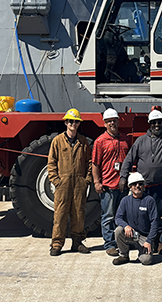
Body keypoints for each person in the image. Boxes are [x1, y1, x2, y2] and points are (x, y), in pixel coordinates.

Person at [119, 108, 162, 253]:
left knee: (160, 214)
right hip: (143, 187)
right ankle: (142, 241)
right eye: (154, 123)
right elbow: (129, 159)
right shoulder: (141, 141)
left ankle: (159, 242)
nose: (157, 125)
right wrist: (123, 176)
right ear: (149, 124)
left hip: (160, 186)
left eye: (159, 122)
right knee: (142, 214)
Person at [47, 108, 92, 256]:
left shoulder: (83, 141)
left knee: (78, 214)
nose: (73, 124)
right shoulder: (57, 141)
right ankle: (57, 244)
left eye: (76, 121)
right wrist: (56, 181)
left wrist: (86, 180)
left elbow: (89, 163)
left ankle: (77, 242)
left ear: (79, 124)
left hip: (79, 182)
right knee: (60, 214)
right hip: (63, 183)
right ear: (66, 122)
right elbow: (51, 163)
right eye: (71, 121)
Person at [92, 108, 129, 256]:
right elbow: (95, 164)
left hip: (123, 185)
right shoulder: (100, 141)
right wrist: (96, 182)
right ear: (105, 124)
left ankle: (122, 242)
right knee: (108, 216)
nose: (112, 123)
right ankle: (109, 244)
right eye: (109, 121)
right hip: (108, 185)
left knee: (123, 216)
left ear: (118, 122)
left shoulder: (125, 140)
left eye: (114, 120)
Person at [113, 172, 159, 266]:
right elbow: (118, 218)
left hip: (144, 237)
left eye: (140, 184)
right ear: (130, 186)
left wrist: (149, 241)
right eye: (134, 184)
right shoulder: (125, 200)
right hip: (131, 233)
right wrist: (126, 226)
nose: (137, 186)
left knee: (146, 260)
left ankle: (142, 252)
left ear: (143, 186)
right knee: (118, 230)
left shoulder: (149, 200)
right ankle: (124, 255)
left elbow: (155, 222)